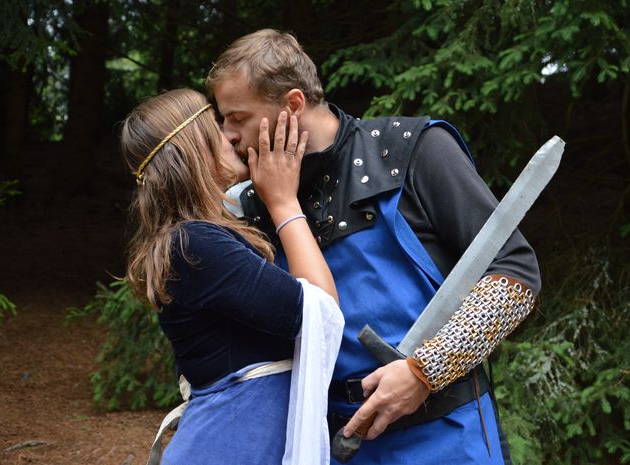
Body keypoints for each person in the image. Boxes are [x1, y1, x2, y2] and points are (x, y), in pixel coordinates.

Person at [207, 29, 541, 464]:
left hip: (449, 438)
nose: (228, 134)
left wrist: (424, 371)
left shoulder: (412, 150)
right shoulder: (254, 208)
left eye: (237, 118)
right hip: (334, 446)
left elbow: (515, 271)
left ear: (292, 105)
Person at [121, 88, 343, 465]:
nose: (229, 136)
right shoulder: (194, 244)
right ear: (196, 148)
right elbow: (322, 313)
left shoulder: (191, 239)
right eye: (215, 127)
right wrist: (284, 202)